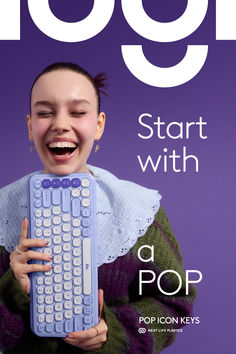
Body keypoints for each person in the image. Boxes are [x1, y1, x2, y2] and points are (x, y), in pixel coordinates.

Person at [0, 62, 196, 354]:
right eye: (44, 113)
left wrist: (111, 330)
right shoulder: (3, 210)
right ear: (30, 126)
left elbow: (176, 305)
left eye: (78, 112)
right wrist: (11, 287)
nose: (60, 124)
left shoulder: (139, 211)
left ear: (98, 125)